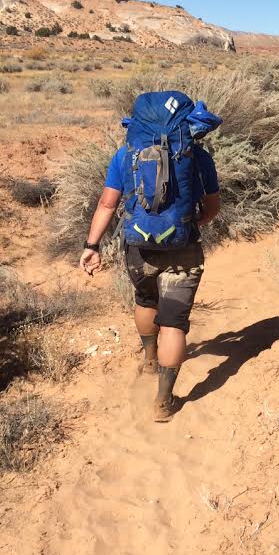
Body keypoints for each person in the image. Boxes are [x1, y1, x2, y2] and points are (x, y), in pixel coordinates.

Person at [79, 91, 222, 422]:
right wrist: (193, 223)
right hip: (183, 246)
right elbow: (213, 207)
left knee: (145, 301)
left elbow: (107, 204)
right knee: (174, 322)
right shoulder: (198, 158)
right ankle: (163, 400)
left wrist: (91, 246)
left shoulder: (125, 155)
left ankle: (149, 359)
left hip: (139, 247)